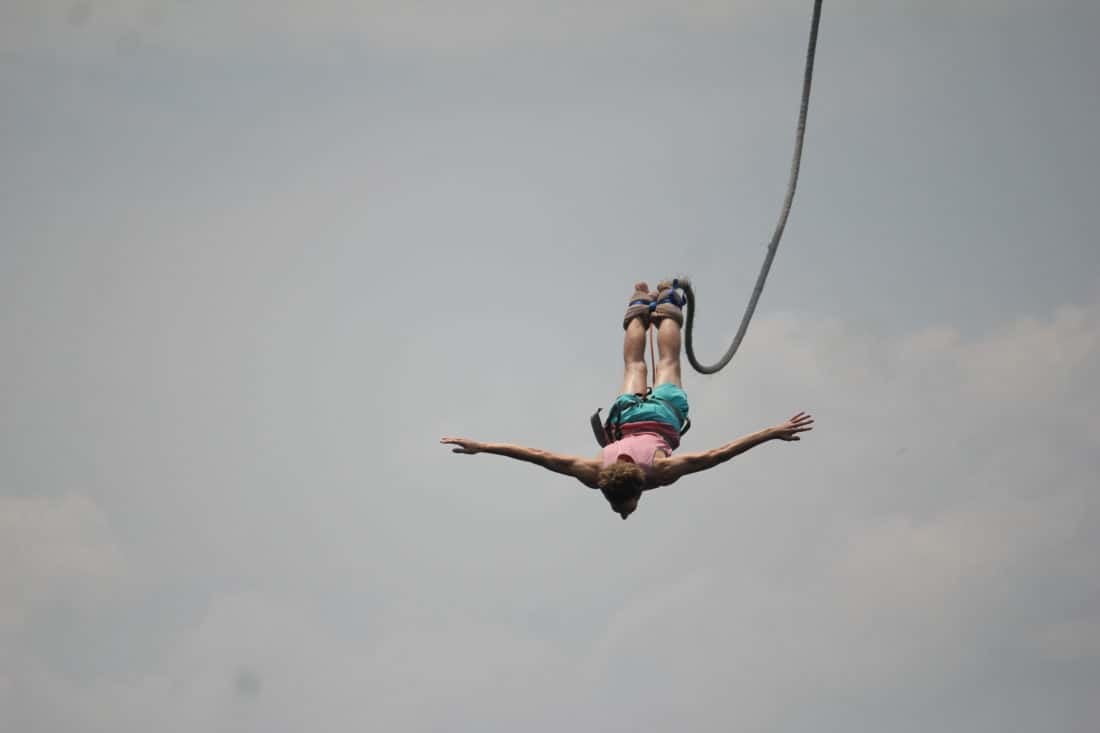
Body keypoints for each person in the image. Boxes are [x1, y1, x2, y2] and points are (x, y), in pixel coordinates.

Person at [440, 280, 814, 519]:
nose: (624, 515)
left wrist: (773, 431)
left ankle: (669, 303)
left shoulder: (663, 473)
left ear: (636, 489)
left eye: (625, 508)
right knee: (635, 363)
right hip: (627, 413)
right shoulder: (592, 473)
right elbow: (537, 456)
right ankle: (639, 305)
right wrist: (483, 446)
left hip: (663, 411)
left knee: (667, 361)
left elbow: (720, 454)